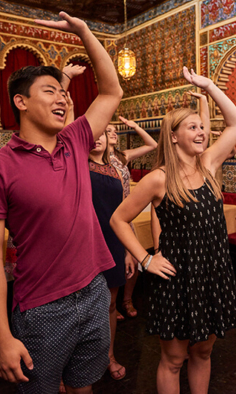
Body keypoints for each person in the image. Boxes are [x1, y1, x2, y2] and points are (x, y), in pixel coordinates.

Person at [0, 11, 123, 394]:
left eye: (63, 91)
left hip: (94, 290)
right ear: (20, 101)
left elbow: (111, 91)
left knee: (85, 385)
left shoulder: (76, 141)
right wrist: (1, 337)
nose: (62, 97)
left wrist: (86, 31)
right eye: (50, 90)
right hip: (42, 308)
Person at [111, 67, 236, 394]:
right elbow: (118, 219)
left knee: (203, 351)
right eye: (192, 127)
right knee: (173, 359)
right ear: (173, 136)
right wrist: (145, 259)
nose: (201, 131)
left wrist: (210, 86)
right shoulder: (159, 178)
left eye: (202, 127)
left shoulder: (210, 165)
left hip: (212, 275)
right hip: (177, 278)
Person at [88, 131, 136, 381]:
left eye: (102, 134)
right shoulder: (75, 166)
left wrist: (128, 249)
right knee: (78, 308)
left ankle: (109, 356)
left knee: (109, 304)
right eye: (91, 133)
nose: (97, 138)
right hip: (85, 243)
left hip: (113, 242)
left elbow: (124, 212)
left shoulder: (117, 170)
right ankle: (65, 367)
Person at [106, 116, 157, 321]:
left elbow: (152, 144)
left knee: (133, 261)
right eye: (107, 130)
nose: (113, 133)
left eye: (114, 131)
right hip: (107, 214)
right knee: (112, 262)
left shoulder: (123, 156)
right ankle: (112, 305)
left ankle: (127, 300)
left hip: (125, 216)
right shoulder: (91, 160)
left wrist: (135, 127)